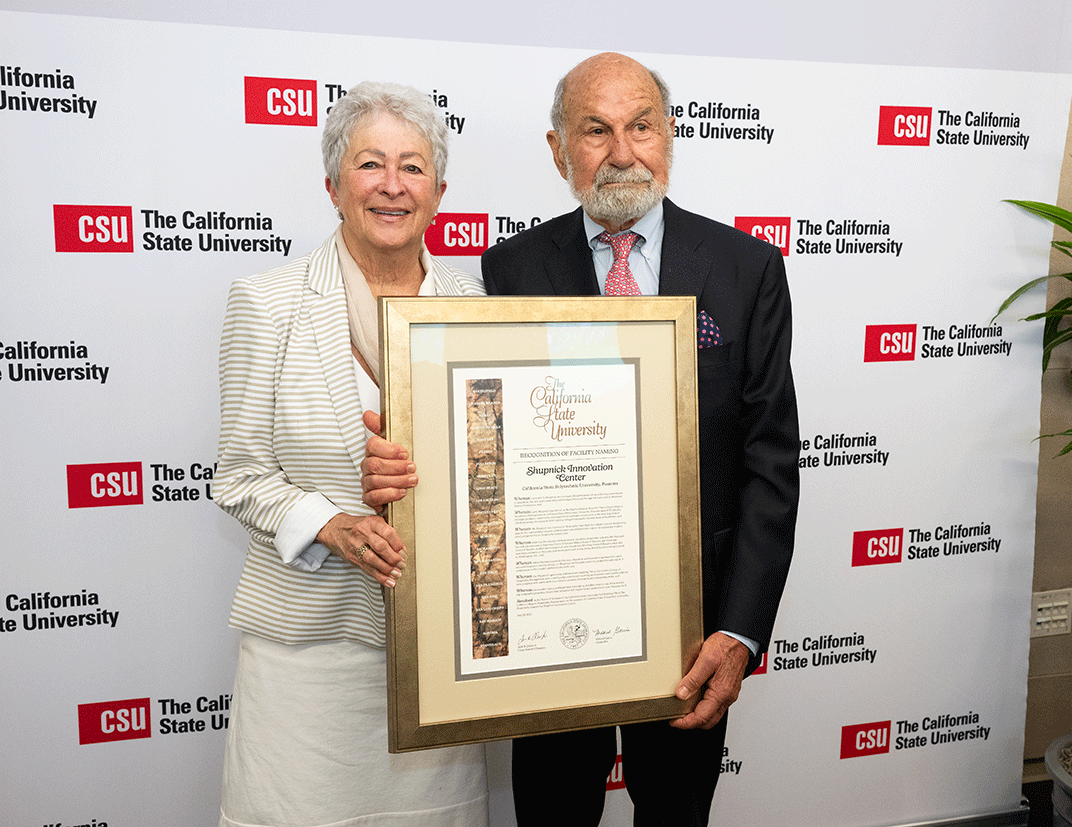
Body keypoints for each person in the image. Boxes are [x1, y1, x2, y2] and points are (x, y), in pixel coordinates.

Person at [364, 52, 798, 827]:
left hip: (691, 638)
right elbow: (482, 439)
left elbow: (771, 461)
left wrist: (738, 633)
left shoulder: (747, 268)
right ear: (558, 149)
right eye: (595, 130)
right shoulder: (512, 267)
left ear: (669, 135)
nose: (623, 152)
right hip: (548, 640)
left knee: (676, 816)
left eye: (642, 125)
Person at [211, 81, 489, 827]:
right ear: (334, 185)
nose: (392, 185)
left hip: (440, 661)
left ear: (440, 191)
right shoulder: (266, 301)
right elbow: (237, 473)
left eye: (413, 167)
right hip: (309, 659)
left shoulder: (478, 308)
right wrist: (332, 521)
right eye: (371, 164)